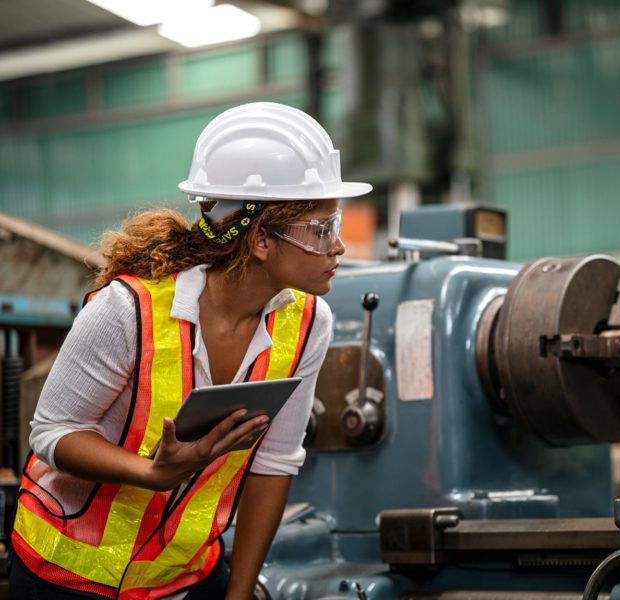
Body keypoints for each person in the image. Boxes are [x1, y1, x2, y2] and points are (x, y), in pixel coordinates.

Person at [10, 102, 372, 599]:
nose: (339, 247)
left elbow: (275, 463)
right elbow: (52, 432)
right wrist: (152, 473)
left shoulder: (309, 323)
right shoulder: (128, 309)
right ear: (262, 240)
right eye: (321, 229)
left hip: (184, 579)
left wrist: (238, 595)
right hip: (65, 576)